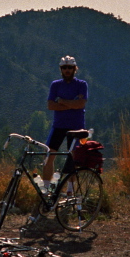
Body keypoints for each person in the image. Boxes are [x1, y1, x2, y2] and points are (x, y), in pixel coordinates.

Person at [40, 55, 88, 193]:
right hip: (58, 125)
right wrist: (72, 104)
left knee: (72, 158)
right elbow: (50, 105)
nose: (67, 70)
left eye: (70, 67)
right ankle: (47, 189)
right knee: (49, 155)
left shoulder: (81, 84)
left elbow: (81, 103)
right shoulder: (55, 84)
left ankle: (70, 191)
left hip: (76, 127)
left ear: (75, 69)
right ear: (61, 69)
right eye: (64, 67)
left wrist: (61, 101)